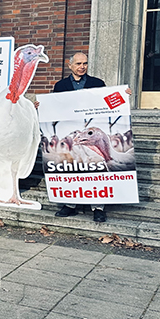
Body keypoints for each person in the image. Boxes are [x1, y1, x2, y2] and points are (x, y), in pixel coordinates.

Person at [47, 52, 131, 223]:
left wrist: (123, 95)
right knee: (73, 168)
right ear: (70, 65)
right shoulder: (60, 86)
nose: (82, 67)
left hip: (92, 134)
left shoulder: (97, 83)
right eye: (78, 64)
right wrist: (41, 106)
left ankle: (98, 208)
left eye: (84, 63)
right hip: (72, 133)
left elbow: (109, 103)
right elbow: (53, 108)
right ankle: (70, 205)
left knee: (96, 169)